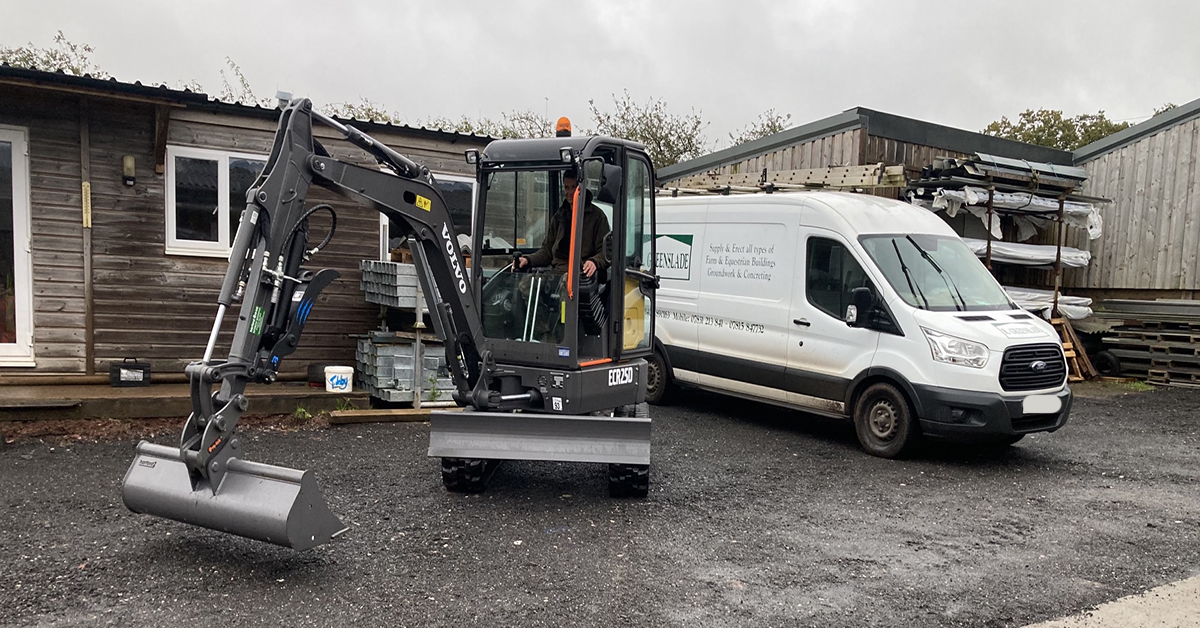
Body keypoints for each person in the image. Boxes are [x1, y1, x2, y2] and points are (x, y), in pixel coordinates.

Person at [516, 170, 610, 279]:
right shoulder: (559, 217)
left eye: (573, 187)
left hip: (581, 275)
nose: (569, 192)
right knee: (526, 282)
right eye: (566, 187)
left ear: (581, 188)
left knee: (565, 284)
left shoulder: (597, 217)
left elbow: (607, 251)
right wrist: (528, 259)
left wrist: (594, 262)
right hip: (556, 272)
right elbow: (547, 251)